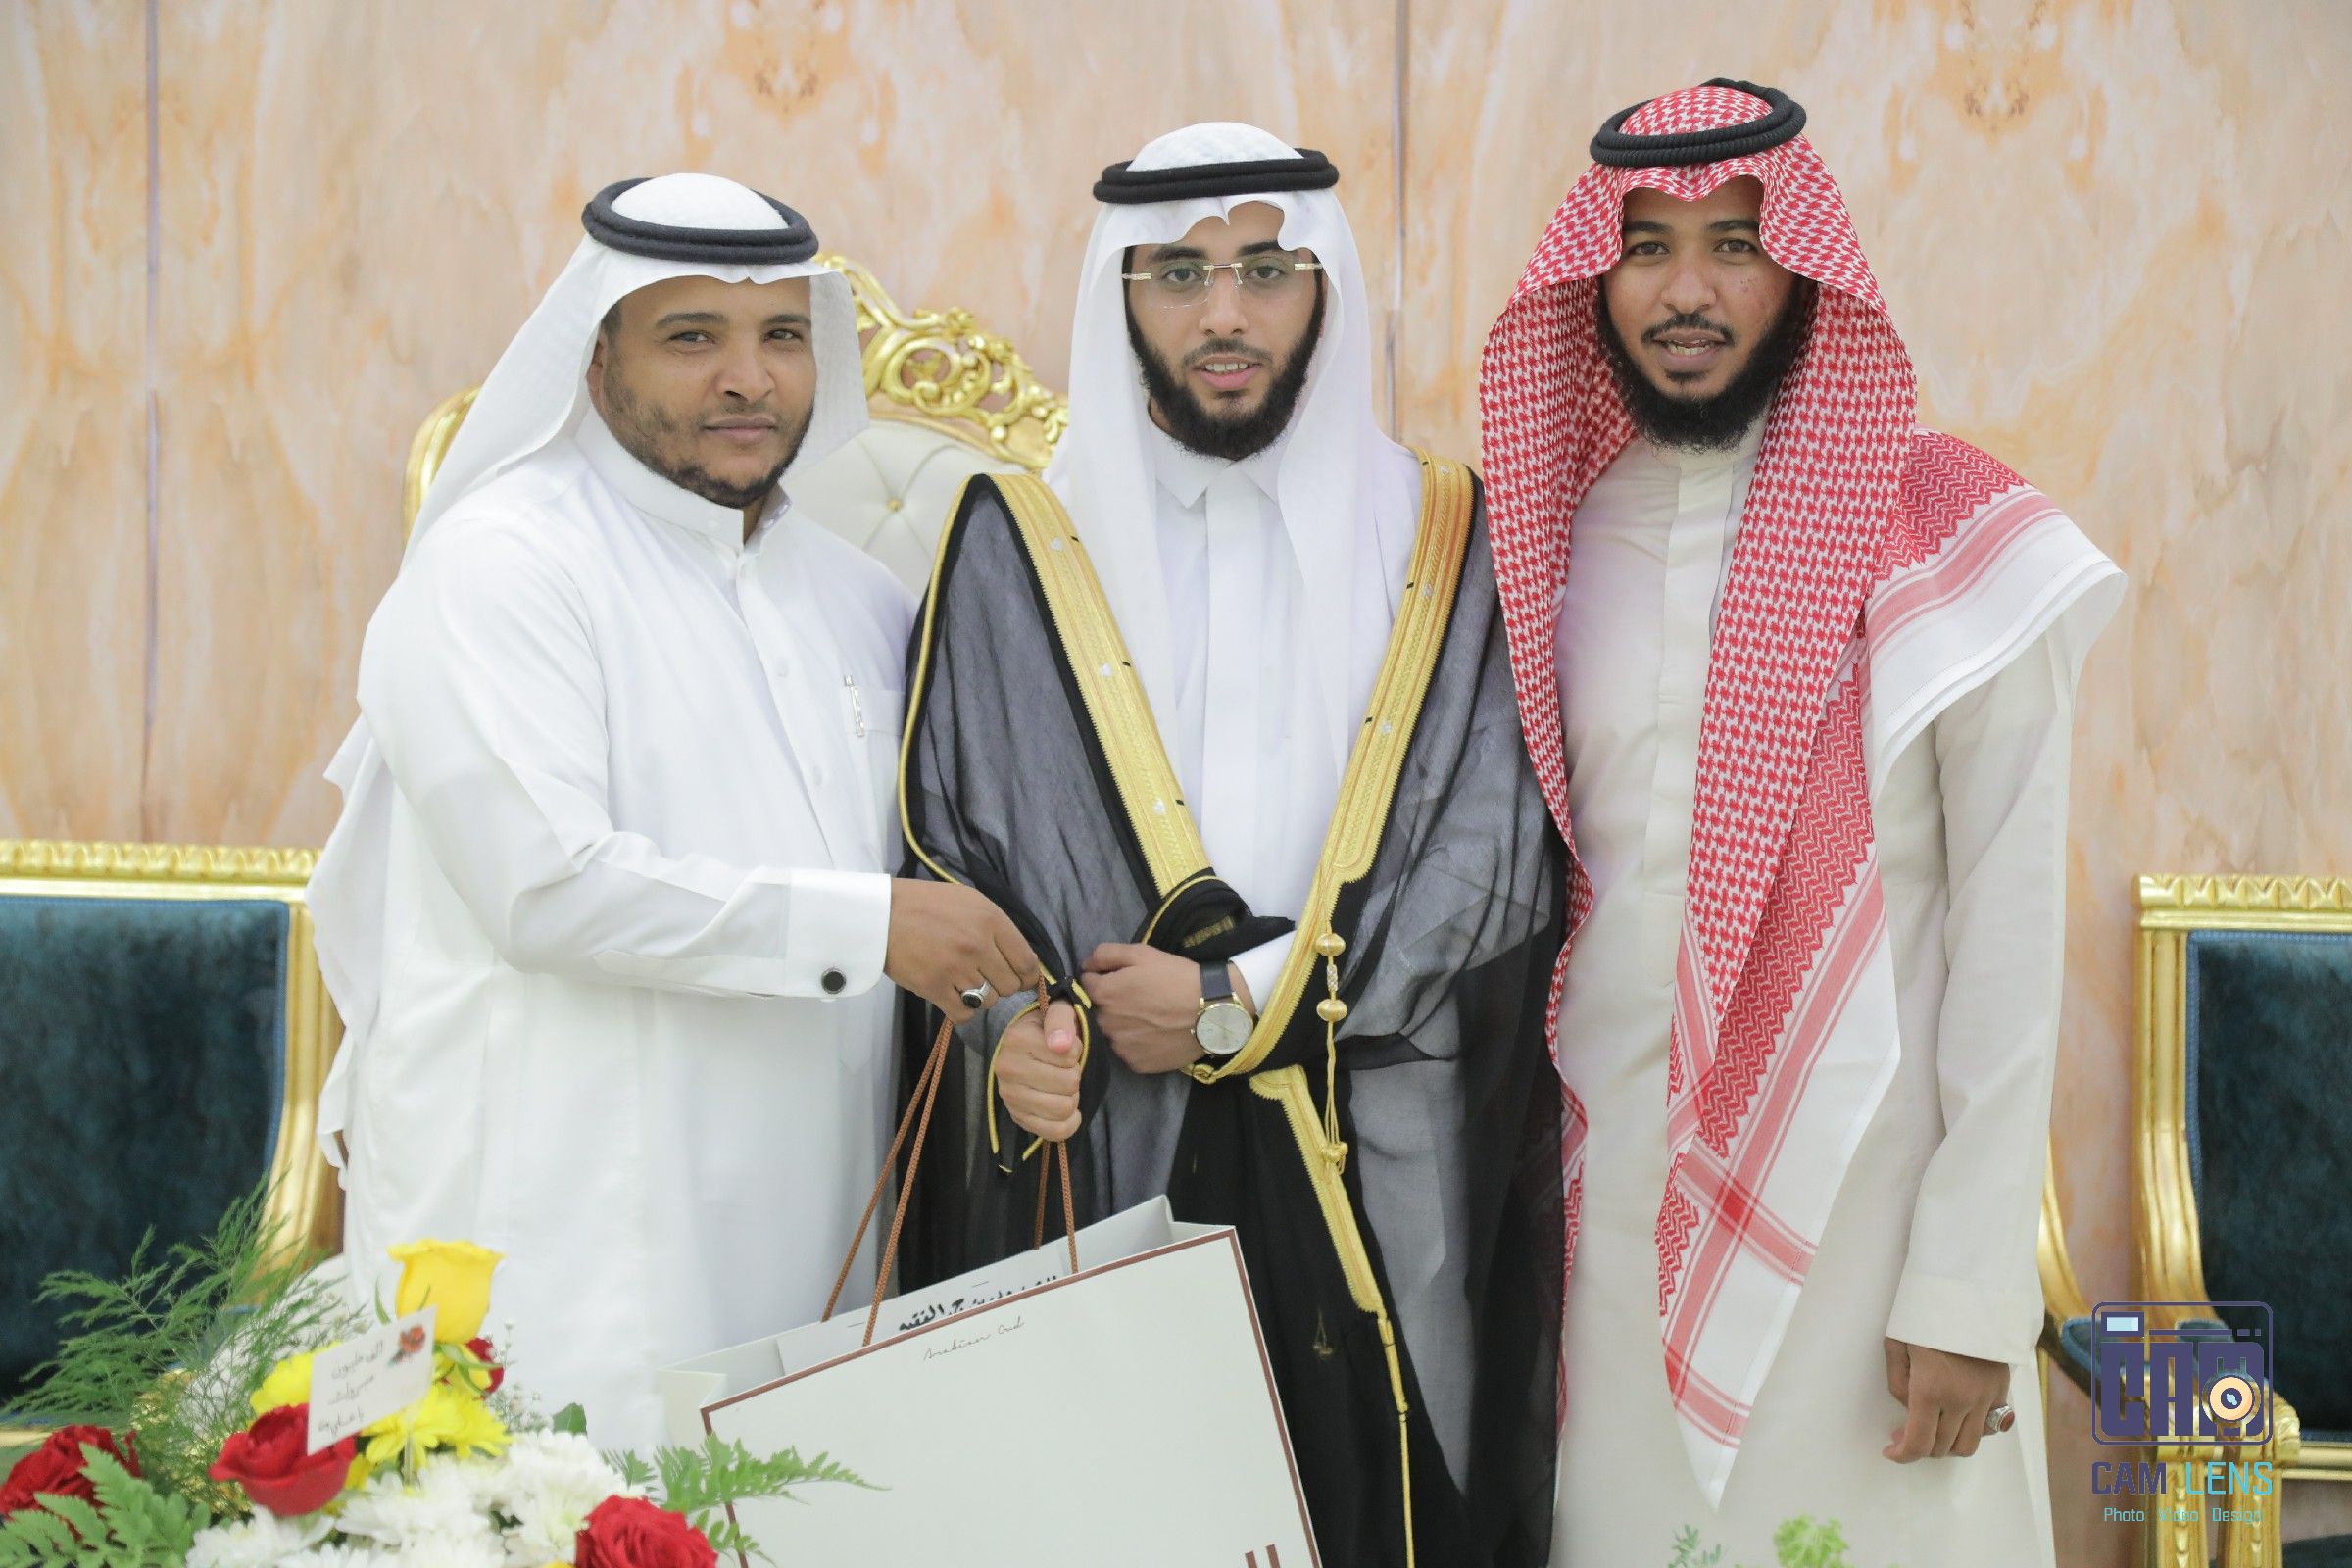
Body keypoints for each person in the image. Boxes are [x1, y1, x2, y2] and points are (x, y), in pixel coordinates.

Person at [892, 123, 1565, 1565]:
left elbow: (1493, 851)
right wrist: (1015, 1035)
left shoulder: (1447, 530)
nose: (1225, 315)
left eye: (1266, 269)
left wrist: (1233, 1004)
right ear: (1119, 295)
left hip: (1377, 1144)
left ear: (1324, 287)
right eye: (1179, 274)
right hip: (1108, 1154)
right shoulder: (1018, 539)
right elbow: (955, 855)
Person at [1478, 80, 2126, 1564]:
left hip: (1868, 1231)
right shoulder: (1552, 535)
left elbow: (2010, 944)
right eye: (1648, 246)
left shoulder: (1955, 545)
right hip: (1608, 1221)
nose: (1686, 290)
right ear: (1595, 276)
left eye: (1735, 246)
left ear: (1807, 272)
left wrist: (1966, 1291)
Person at [307, 173, 1034, 1447]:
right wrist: (871, 927)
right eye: (693, 336)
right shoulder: (503, 564)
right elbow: (546, 889)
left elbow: (944, 882)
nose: (748, 379)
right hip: (552, 1237)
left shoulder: (862, 601)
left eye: (782, 335)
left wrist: (1014, 1022)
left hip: (815, 1236)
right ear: (597, 359)